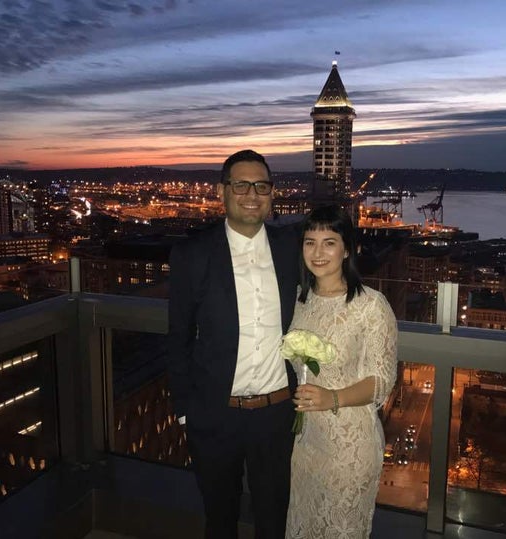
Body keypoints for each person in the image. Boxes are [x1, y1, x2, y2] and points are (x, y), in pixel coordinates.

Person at [167, 149, 299, 539]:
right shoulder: (193, 254)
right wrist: (185, 411)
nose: (252, 193)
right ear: (222, 191)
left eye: (261, 185)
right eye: (240, 184)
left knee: (274, 521)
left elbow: (336, 269)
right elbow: (178, 336)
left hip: (276, 415)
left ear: (273, 193)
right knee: (220, 520)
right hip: (214, 414)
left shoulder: (291, 248)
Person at [285, 204, 398, 538]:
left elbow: (382, 381)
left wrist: (332, 397)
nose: (318, 252)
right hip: (306, 442)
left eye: (329, 242)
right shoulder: (298, 300)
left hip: (349, 446)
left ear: (347, 248)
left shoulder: (370, 305)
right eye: (310, 242)